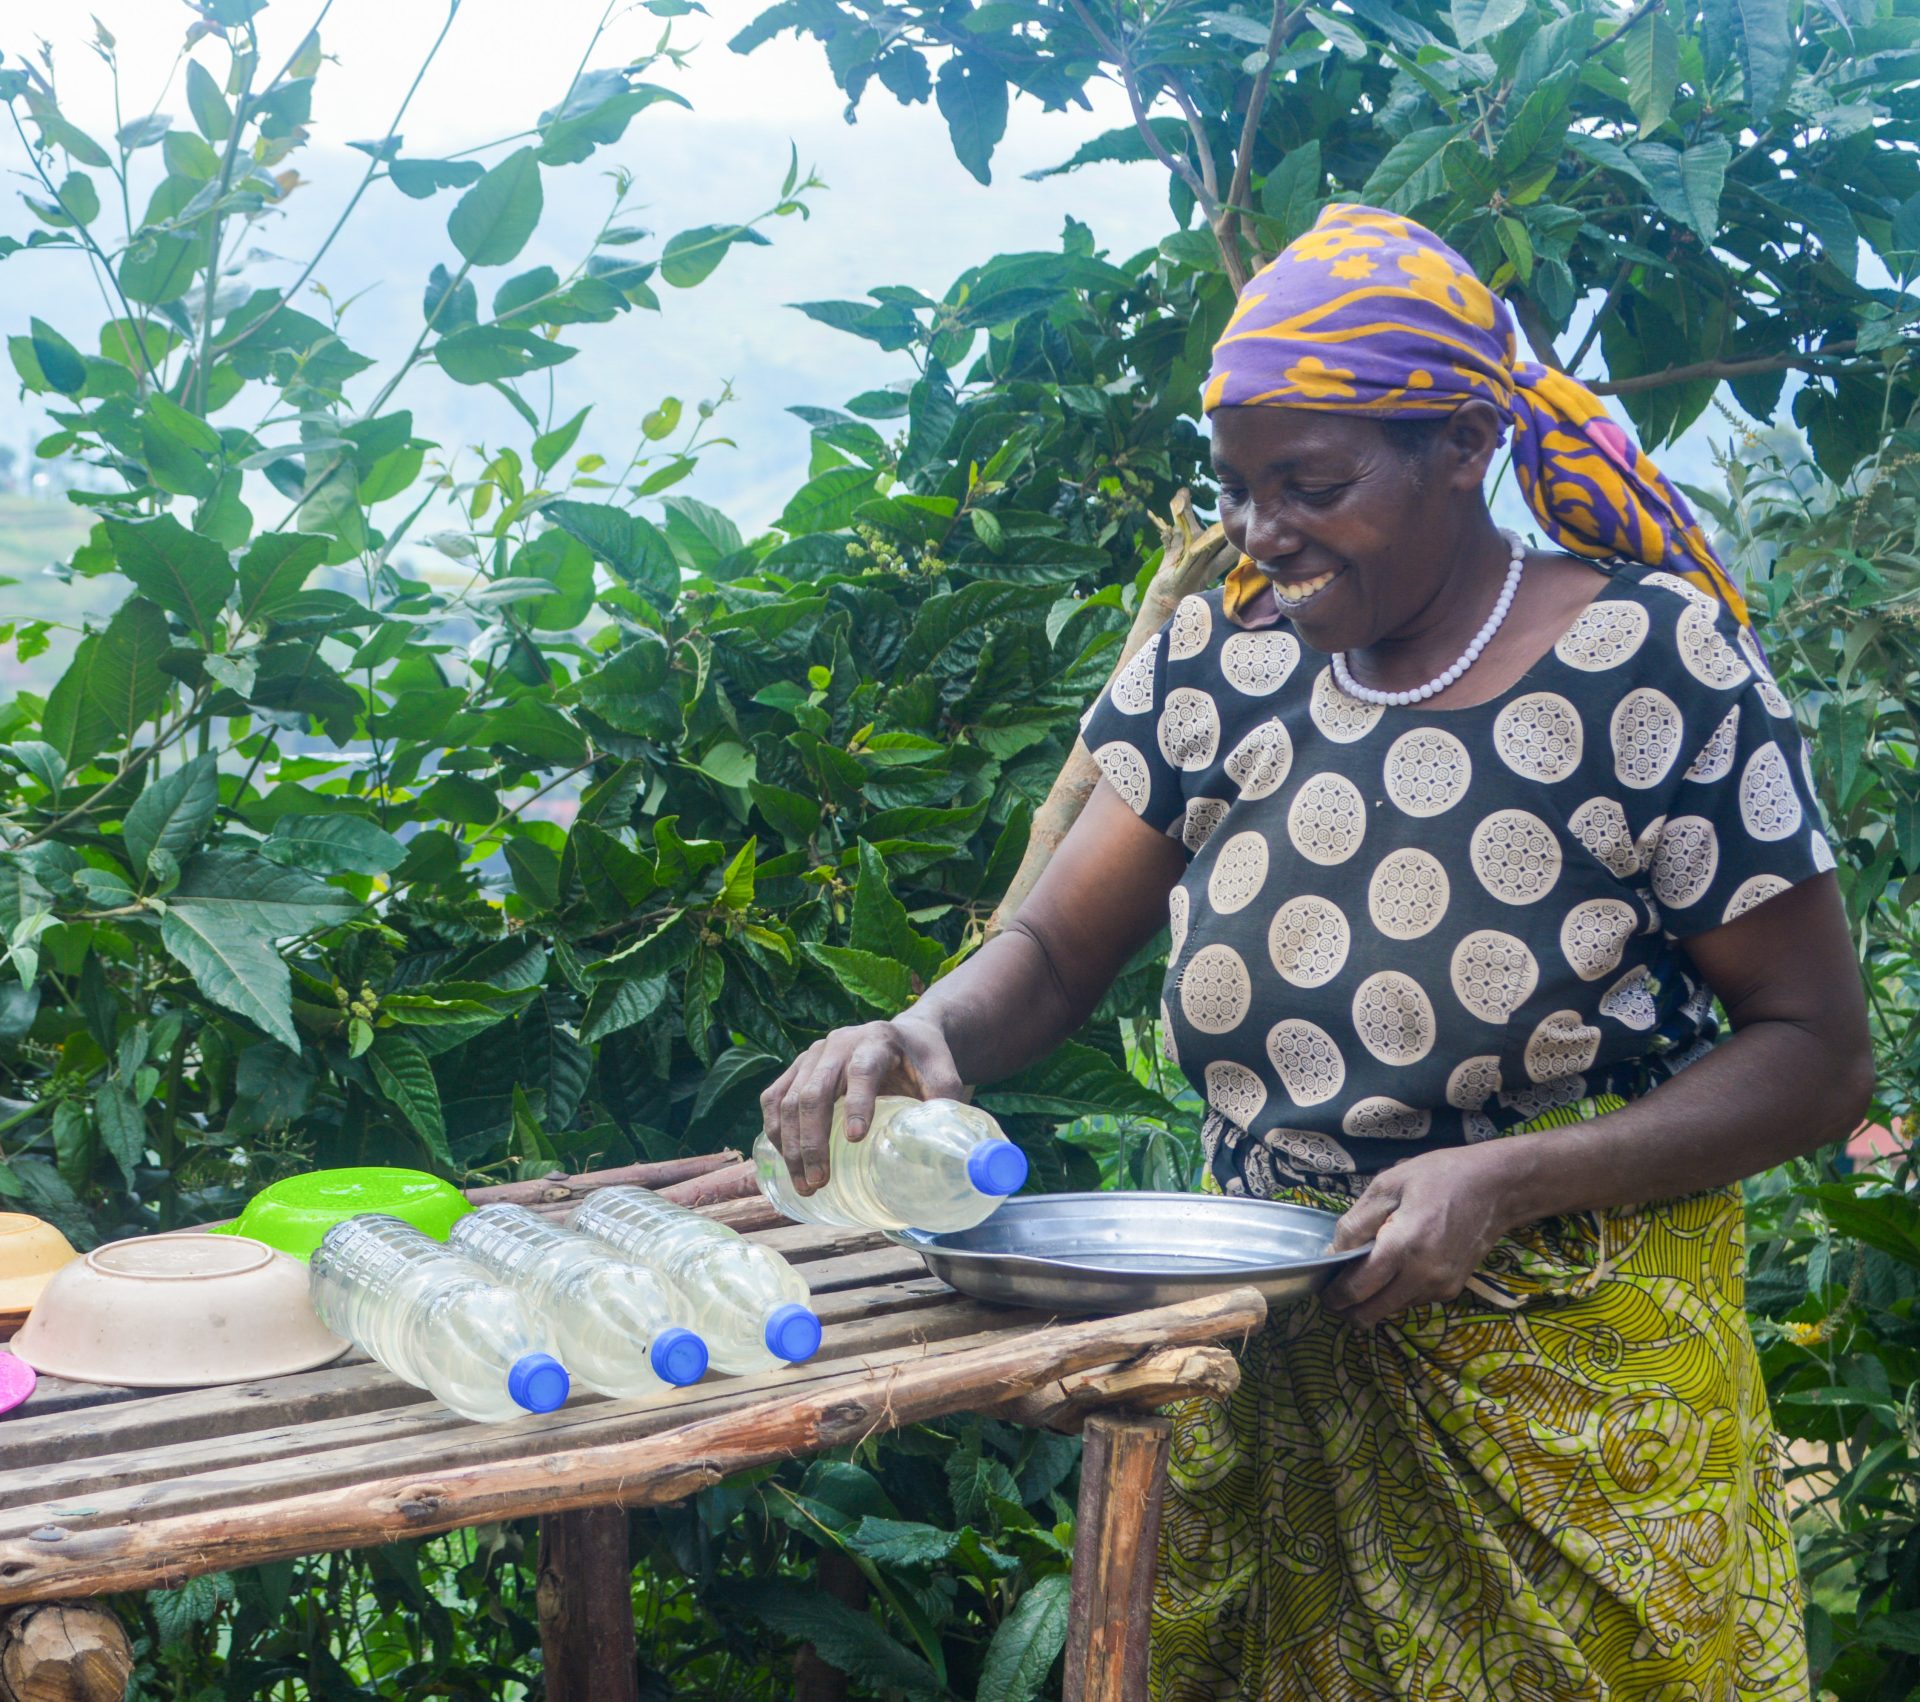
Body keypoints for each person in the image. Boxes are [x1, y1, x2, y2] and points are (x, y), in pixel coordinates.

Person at [757, 206, 1872, 1699]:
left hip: (1574, 1423)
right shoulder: (1230, 653)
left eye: (1313, 484)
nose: (1263, 529)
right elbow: (1048, 948)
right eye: (1235, 486)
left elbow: (1815, 1056)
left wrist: (1511, 1176)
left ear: (1465, 447)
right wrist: (929, 1034)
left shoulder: (1654, 667)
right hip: (1267, 1380)